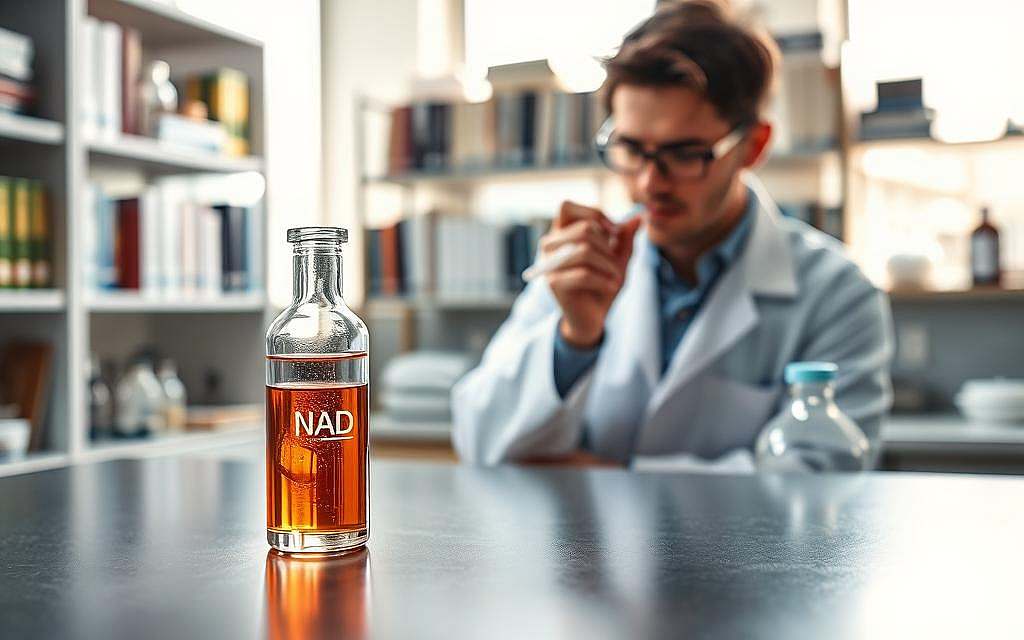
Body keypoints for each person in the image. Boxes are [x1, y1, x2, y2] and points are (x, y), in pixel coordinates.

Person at [451, 0, 894, 467]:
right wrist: (575, 336)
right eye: (630, 148)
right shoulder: (581, 267)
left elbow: (818, 482)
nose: (648, 183)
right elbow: (479, 439)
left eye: (685, 154)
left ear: (753, 146)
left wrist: (609, 479)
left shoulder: (838, 293)